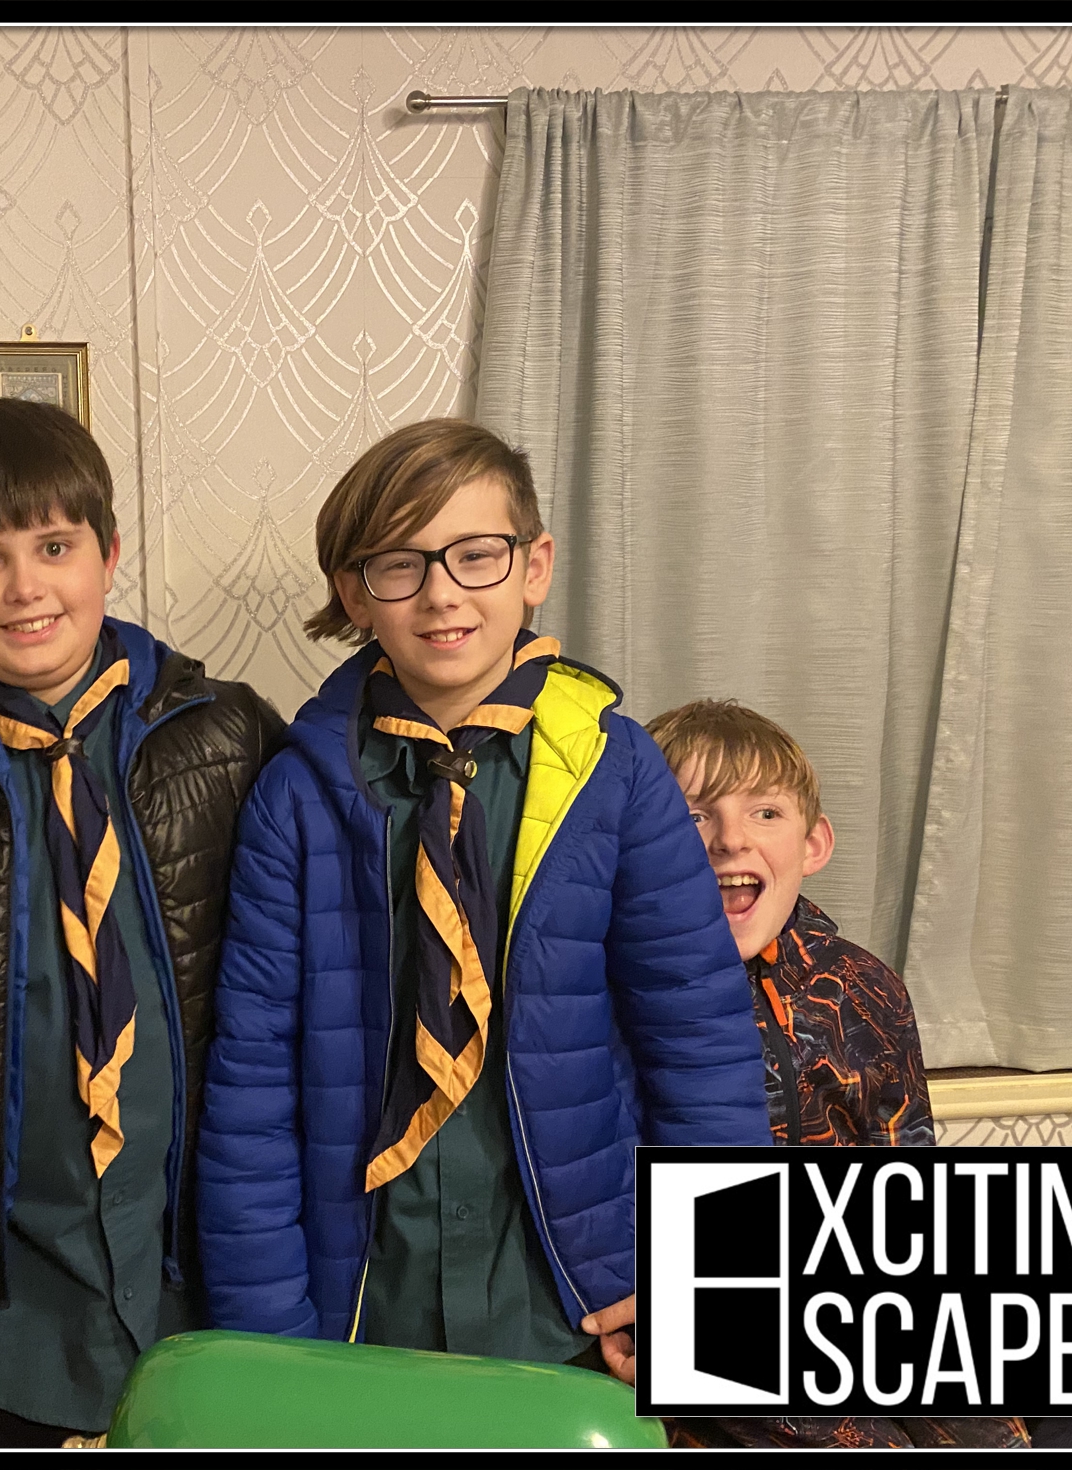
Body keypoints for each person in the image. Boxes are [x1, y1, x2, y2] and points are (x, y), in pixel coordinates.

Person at [196, 419, 772, 1388]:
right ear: (354, 594)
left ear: (534, 566)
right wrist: (268, 1341)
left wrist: (703, 1276)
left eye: (476, 555)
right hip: (362, 1306)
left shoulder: (615, 771)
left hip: (571, 1299)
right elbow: (252, 1083)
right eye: (400, 564)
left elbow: (696, 1037)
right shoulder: (295, 795)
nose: (441, 594)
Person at [0, 397, 285, 1447]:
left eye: (55, 546)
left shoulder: (231, 740)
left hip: (214, 1295)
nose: (26, 587)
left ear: (109, 554)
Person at [644, 697, 1029, 1449]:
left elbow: (908, 1175)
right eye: (692, 816)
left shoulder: (865, 987)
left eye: (764, 813)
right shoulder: (613, 995)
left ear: (813, 842)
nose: (729, 840)